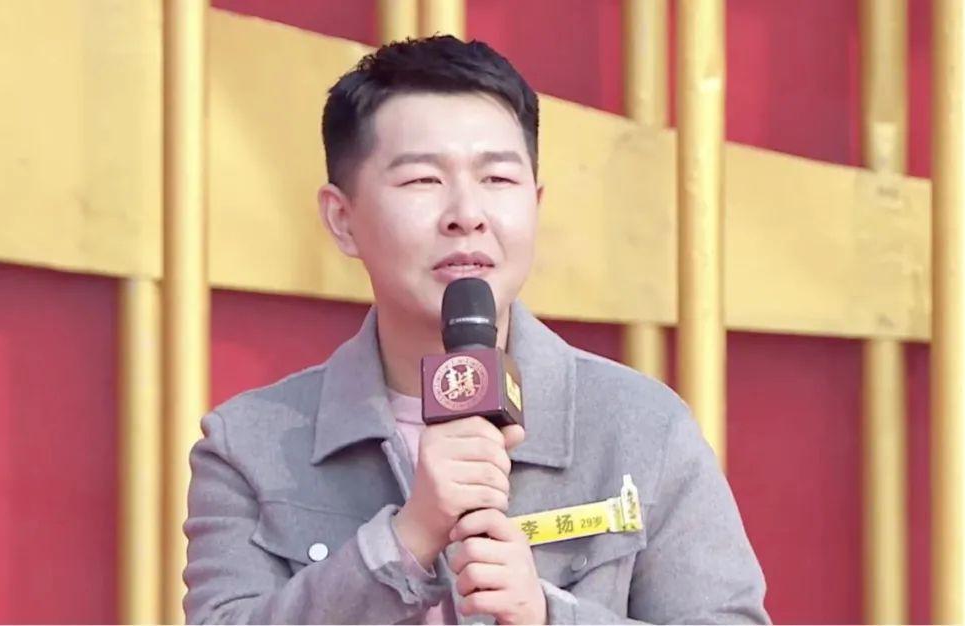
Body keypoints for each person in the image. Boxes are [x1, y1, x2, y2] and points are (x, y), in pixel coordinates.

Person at [183, 35, 769, 625]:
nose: (467, 214)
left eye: (498, 180)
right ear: (342, 219)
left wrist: (548, 616)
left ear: (536, 202)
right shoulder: (249, 448)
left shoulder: (641, 428)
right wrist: (405, 541)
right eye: (422, 180)